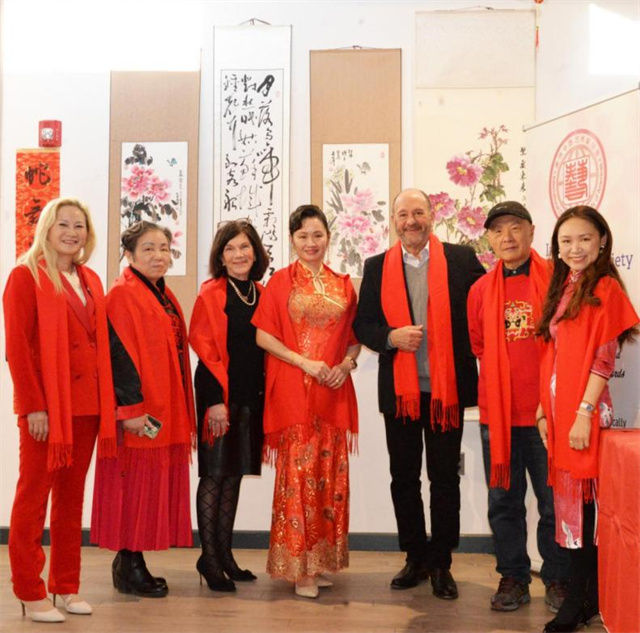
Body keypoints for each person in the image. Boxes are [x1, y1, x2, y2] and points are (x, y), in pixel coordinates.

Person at [353, 188, 485, 599]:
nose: (411, 221)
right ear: (393, 221)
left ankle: (441, 562)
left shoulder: (461, 260)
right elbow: (363, 325)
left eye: (418, 212)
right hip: (401, 393)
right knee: (404, 478)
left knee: (444, 479)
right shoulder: (377, 267)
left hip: (447, 392)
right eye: (403, 214)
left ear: (432, 216)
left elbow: (484, 309)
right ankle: (415, 557)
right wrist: (391, 337)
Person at [3, 197, 116, 622]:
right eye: (63, 224)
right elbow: (18, 349)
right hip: (47, 409)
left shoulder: (90, 279)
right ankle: (29, 590)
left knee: (71, 498)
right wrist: (34, 406)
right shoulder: (25, 275)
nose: (72, 232)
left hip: (87, 406)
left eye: (79, 225)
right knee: (33, 497)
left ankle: (65, 585)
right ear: (47, 229)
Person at [535, 206, 638, 633]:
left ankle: (578, 601)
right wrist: (543, 410)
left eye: (584, 239)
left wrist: (584, 414)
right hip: (560, 413)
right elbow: (553, 355)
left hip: (586, 414)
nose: (575, 248)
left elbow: (603, 359)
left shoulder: (605, 288)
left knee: (585, 511)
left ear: (602, 242)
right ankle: (587, 598)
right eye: (566, 241)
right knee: (572, 508)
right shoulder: (564, 288)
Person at [467, 201, 571, 613]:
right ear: (489, 240)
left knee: (553, 502)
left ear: (531, 231)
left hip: (548, 416)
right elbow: (479, 344)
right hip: (499, 417)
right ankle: (513, 577)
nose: (507, 237)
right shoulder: (480, 291)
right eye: (497, 231)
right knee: (503, 503)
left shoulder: (559, 280)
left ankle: (558, 578)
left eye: (514, 227)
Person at [253, 204, 360, 599]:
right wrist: (304, 363)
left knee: (329, 479)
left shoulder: (343, 284)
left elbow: (354, 339)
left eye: (317, 235)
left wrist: (346, 365)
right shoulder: (280, 282)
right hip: (294, 393)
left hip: (332, 392)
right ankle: (298, 569)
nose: (311, 242)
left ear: (328, 237)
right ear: (292, 240)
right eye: (303, 236)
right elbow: (264, 336)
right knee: (298, 480)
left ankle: (319, 561)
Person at [90, 220, 196, 598]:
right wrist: (131, 409)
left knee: (145, 486)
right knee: (133, 485)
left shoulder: (161, 294)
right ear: (129, 255)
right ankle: (130, 563)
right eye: (148, 248)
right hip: (139, 411)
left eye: (164, 248)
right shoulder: (123, 294)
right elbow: (118, 355)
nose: (158, 255)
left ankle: (131, 563)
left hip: (162, 405)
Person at [189, 220, 269, 592]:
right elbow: (204, 351)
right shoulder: (211, 293)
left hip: (251, 398)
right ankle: (209, 559)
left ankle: (224, 555)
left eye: (244, 247)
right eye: (230, 249)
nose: (238, 254)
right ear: (220, 257)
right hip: (218, 397)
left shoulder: (261, 293)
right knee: (214, 475)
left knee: (234, 475)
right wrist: (214, 403)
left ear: (255, 252)